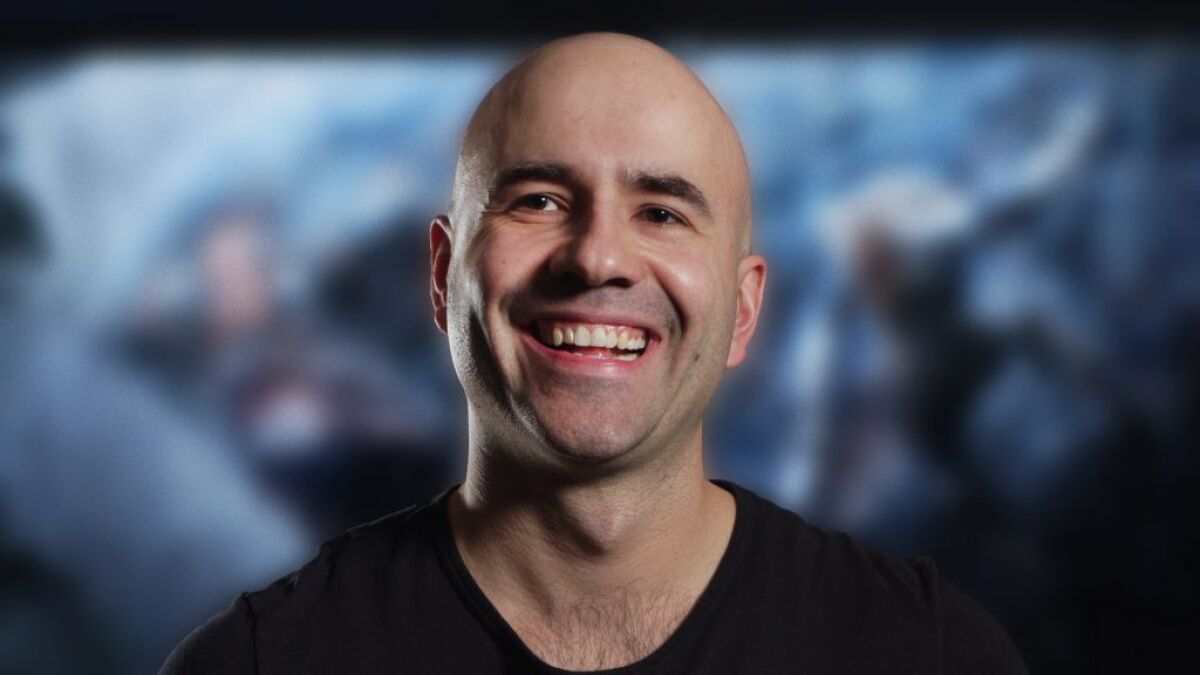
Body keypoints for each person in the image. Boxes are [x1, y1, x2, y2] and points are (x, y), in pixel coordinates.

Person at [162, 32, 1027, 674]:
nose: (598, 256)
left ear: (744, 309)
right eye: (539, 200)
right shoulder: (260, 664)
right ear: (442, 275)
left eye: (662, 212)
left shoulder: (927, 653)